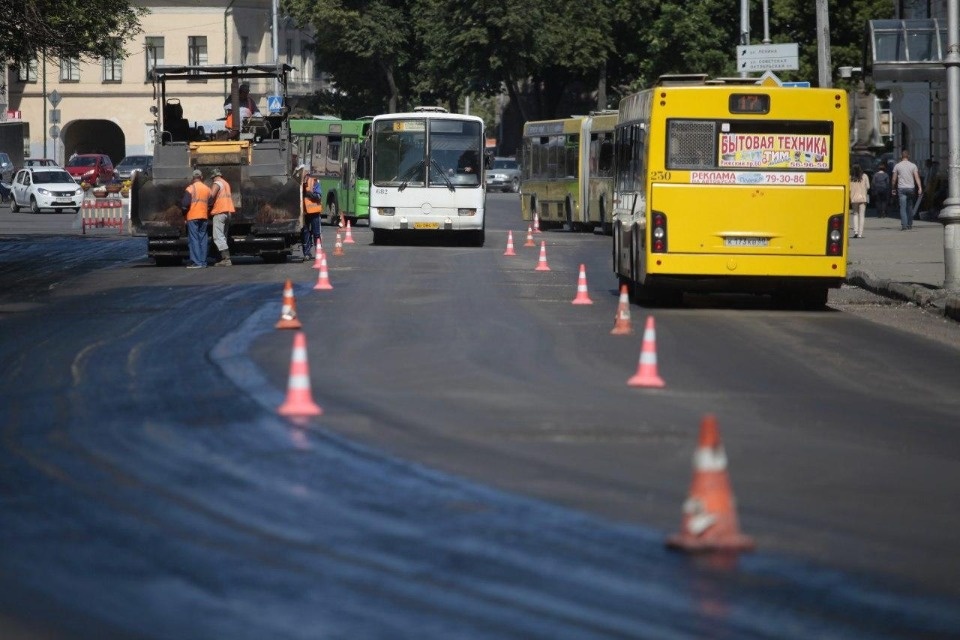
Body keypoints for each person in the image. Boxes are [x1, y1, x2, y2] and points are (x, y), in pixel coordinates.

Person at [181, 169, 212, 268]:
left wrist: (184, 213)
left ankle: (197, 262)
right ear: (201, 177)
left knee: (194, 239)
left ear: (193, 178)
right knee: (203, 239)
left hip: (193, 217)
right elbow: (211, 203)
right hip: (203, 216)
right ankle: (203, 262)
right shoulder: (207, 189)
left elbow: (185, 204)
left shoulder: (190, 188)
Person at [208, 167, 235, 266]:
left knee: (218, 236)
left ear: (213, 176)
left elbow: (211, 195)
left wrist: (206, 203)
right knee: (223, 236)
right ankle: (222, 257)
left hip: (219, 212)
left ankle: (226, 259)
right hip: (227, 212)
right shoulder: (225, 183)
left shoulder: (217, 183)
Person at [891, 150, 923, 230]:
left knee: (903, 207)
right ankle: (910, 224)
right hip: (911, 188)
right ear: (908, 156)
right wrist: (920, 187)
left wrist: (893, 188)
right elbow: (917, 177)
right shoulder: (913, 166)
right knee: (910, 206)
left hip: (901, 188)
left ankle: (904, 225)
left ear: (901, 156)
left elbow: (894, 179)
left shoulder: (897, 166)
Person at [298, 165, 323, 261]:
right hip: (304, 214)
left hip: (314, 212)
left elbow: (318, 196)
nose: (303, 176)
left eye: (304, 174)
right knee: (305, 233)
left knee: (316, 233)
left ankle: (319, 252)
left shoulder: (314, 182)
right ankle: (306, 253)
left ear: (307, 174)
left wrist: (309, 194)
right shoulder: (299, 184)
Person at [849, 163, 870, 239]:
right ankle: (860, 234)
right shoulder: (864, 176)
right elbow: (868, 186)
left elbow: (849, 189)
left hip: (854, 198)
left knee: (855, 214)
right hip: (863, 198)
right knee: (862, 216)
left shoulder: (850, 177)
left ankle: (856, 232)